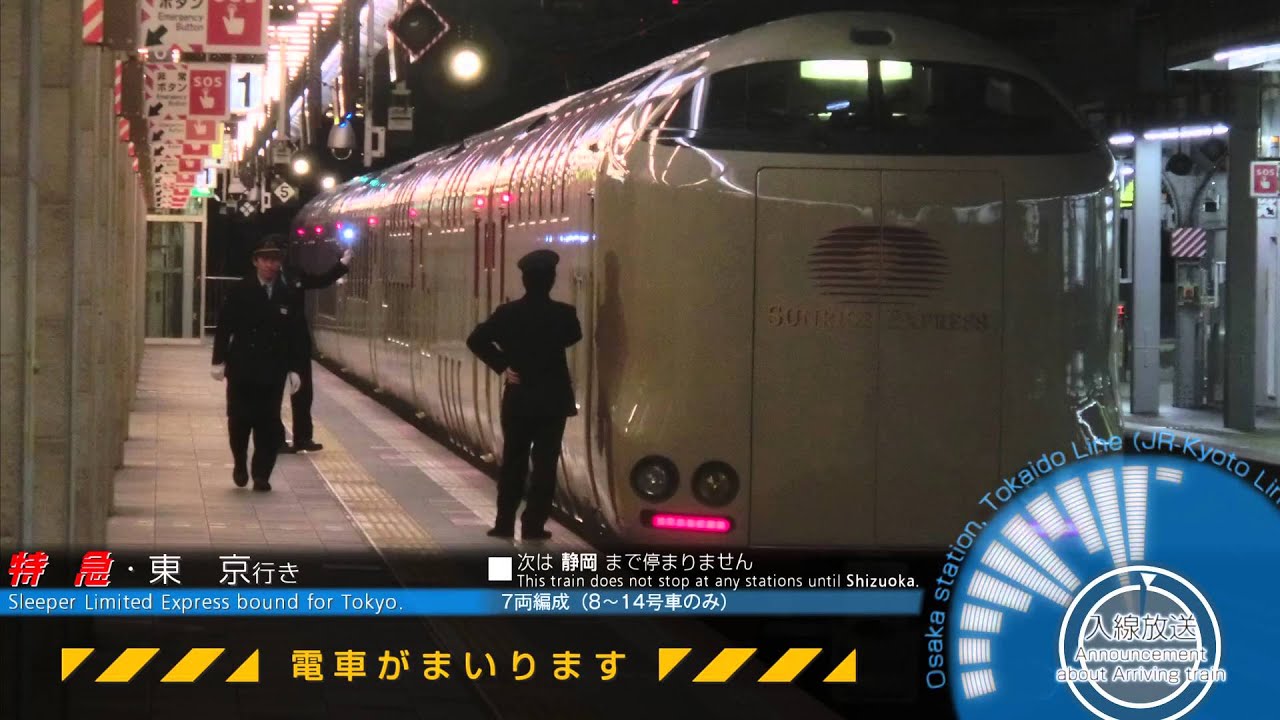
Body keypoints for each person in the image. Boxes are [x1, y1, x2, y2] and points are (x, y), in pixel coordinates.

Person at [466, 249, 582, 540]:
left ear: (524, 280)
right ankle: (533, 525)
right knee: (545, 464)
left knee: (513, 461)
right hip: (553, 401)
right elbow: (574, 336)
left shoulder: (507, 314)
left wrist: (503, 365)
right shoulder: (564, 314)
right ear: (551, 281)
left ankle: (504, 523)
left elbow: (475, 340)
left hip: (519, 398)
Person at [210, 238, 307, 492]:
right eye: (266, 260)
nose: (271, 265)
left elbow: (297, 334)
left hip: (273, 371)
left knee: (269, 423)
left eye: (275, 260)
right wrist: (218, 361)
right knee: (239, 421)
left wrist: (296, 368)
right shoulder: (241, 291)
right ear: (256, 262)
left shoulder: (288, 295)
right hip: (242, 369)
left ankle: (262, 473)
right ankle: (240, 462)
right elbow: (224, 327)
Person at [272, 234, 353, 454]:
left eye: (280, 254)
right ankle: (276, 438)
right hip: (273, 344)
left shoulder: (294, 274)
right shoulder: (261, 281)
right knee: (272, 393)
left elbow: (319, 281)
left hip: (298, 342)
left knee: (303, 392)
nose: (277, 259)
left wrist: (341, 265)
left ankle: (303, 437)